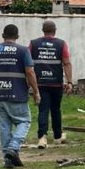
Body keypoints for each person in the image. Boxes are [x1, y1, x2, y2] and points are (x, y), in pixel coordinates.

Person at [0, 23, 40, 169]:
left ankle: (7, 159)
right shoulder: (23, 51)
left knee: (4, 126)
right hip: (16, 92)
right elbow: (30, 72)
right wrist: (36, 92)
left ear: (3, 35)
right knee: (24, 121)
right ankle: (13, 148)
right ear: (17, 36)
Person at [29, 20, 73, 148]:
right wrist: (69, 82)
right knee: (55, 110)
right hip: (56, 83)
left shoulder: (33, 44)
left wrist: (29, 83)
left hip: (40, 83)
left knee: (43, 110)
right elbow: (66, 63)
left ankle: (42, 137)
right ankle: (57, 137)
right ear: (55, 30)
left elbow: (27, 63)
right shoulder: (61, 44)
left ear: (43, 30)